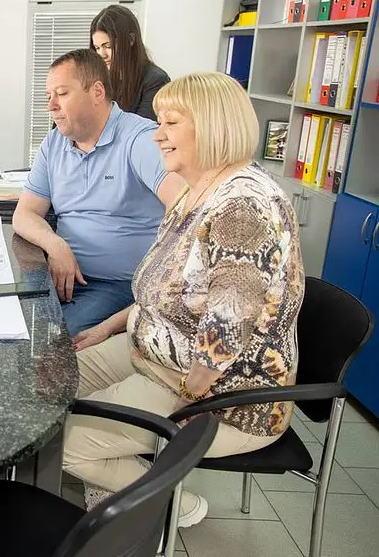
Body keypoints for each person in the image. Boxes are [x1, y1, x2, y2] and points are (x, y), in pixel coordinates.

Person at [63, 71, 304, 528]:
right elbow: (167, 291)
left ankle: (176, 505)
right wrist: (108, 327)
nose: (158, 135)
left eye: (171, 123)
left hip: (222, 396)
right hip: (154, 355)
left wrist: (191, 402)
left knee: (65, 442)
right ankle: (113, 476)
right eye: (159, 123)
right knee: (50, 388)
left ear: (213, 126)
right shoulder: (197, 192)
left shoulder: (243, 207)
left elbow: (227, 329)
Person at [13, 48, 184, 336]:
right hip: (60, 273)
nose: (51, 106)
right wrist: (56, 246)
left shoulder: (139, 139)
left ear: (96, 92)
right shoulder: (53, 144)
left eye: (62, 94)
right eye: (48, 96)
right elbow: (25, 214)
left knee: (56, 338)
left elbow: (187, 210)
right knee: (8, 320)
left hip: (117, 284)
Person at [90, 4, 170, 121]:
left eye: (108, 46)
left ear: (131, 40)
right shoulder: (98, 79)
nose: (102, 55)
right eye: (97, 48)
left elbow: (141, 129)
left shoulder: (155, 81)